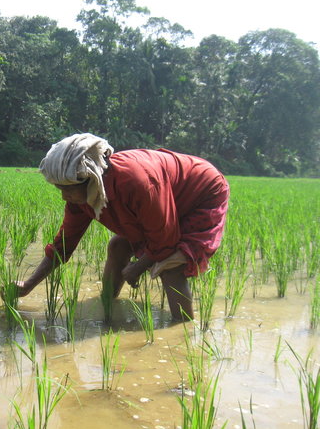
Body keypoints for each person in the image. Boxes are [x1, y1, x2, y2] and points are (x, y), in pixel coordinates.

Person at [16, 133, 230, 321]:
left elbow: (165, 241)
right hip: (165, 194)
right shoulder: (80, 197)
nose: (64, 196)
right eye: (59, 189)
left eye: (67, 190)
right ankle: (107, 306)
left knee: (170, 264)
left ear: (90, 179)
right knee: (119, 245)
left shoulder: (137, 183)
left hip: (202, 193)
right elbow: (63, 245)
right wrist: (28, 285)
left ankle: (182, 330)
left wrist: (138, 267)